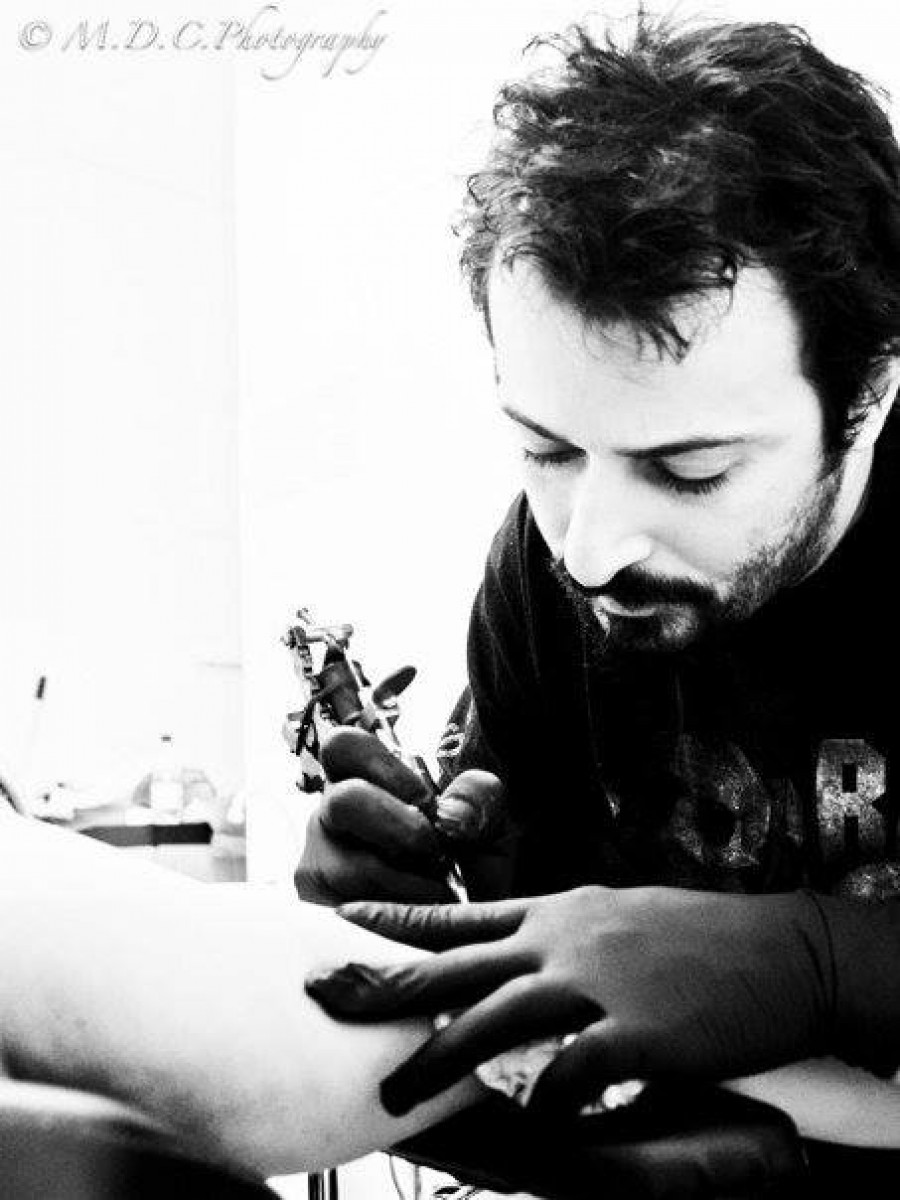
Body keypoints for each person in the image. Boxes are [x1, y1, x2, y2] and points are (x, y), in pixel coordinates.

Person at [295, 16, 900, 1125]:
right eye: (547, 450)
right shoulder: (539, 575)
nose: (588, 547)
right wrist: (439, 895)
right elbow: (544, 955)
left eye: (690, 468)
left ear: (866, 397)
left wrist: (831, 961)